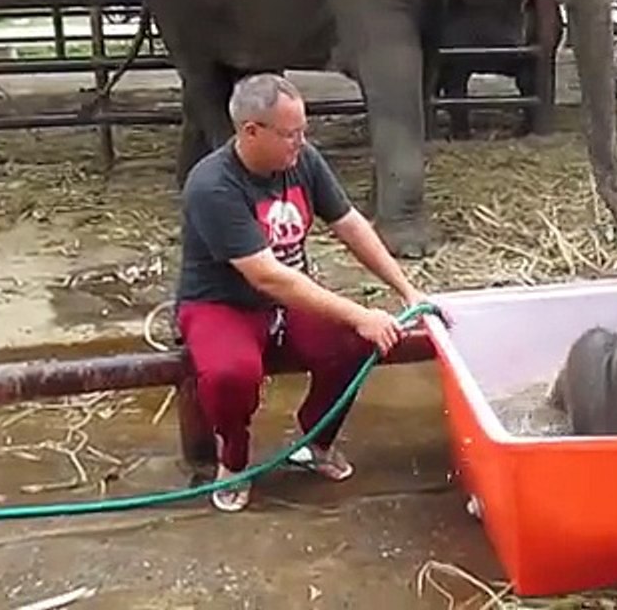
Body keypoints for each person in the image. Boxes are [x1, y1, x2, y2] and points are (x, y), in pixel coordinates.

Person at [173, 72, 436, 512]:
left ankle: (317, 439)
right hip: (224, 303)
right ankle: (233, 460)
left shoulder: (303, 161)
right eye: (290, 134)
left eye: (303, 132)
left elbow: (349, 223)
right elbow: (267, 276)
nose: (300, 143)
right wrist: (358, 311)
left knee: (357, 344)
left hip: (288, 297)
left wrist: (407, 289)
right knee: (231, 374)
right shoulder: (212, 185)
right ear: (250, 132)